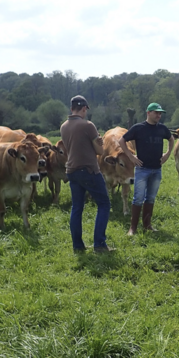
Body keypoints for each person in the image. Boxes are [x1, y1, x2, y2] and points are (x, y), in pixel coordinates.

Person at [60, 95, 115, 254]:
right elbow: (100, 151)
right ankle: (99, 244)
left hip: (71, 171)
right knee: (104, 204)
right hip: (89, 170)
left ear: (71, 108)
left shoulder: (64, 126)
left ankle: (77, 246)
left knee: (77, 208)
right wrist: (100, 142)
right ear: (84, 109)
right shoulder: (88, 126)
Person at [118, 103, 175, 236]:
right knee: (138, 198)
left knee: (150, 198)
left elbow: (171, 139)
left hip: (157, 169)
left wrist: (167, 154)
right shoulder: (138, 128)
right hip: (142, 169)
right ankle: (133, 228)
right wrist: (131, 157)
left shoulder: (162, 128)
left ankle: (147, 225)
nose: (159, 115)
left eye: (160, 113)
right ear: (148, 113)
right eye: (156, 113)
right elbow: (122, 141)